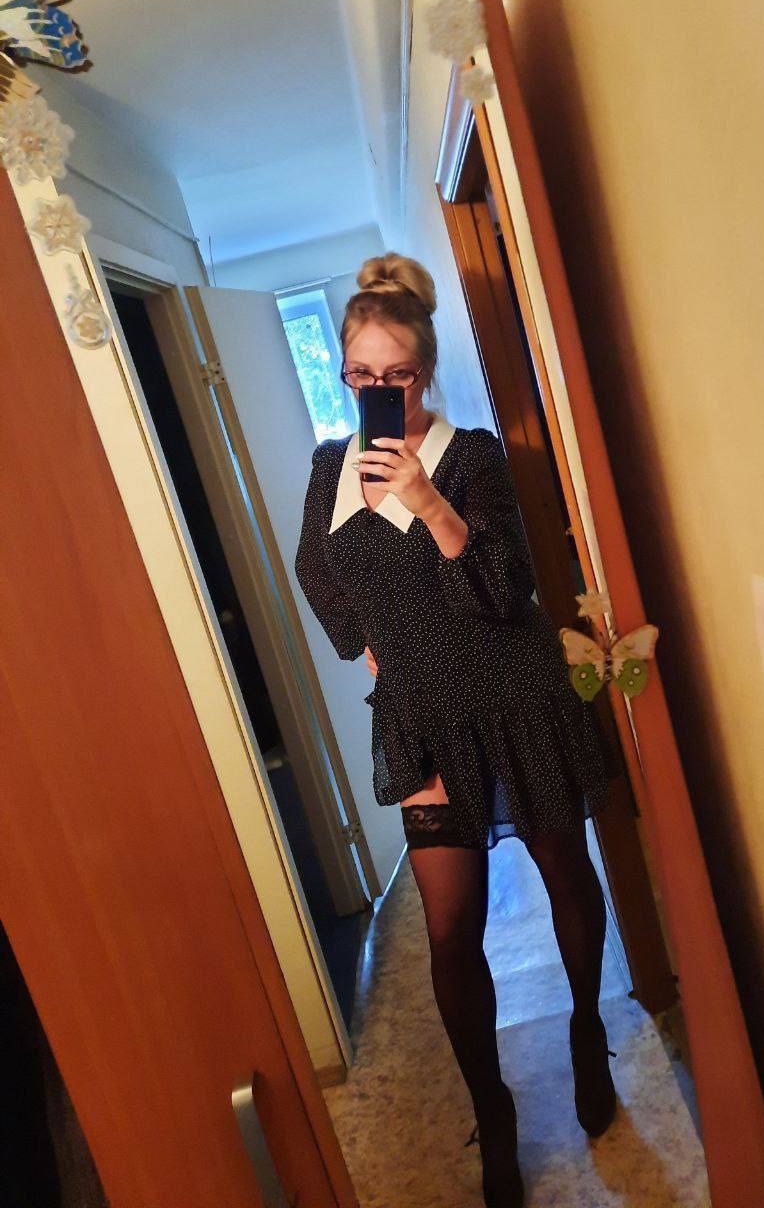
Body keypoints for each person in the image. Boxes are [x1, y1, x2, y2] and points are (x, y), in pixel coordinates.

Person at [294, 252, 619, 1208]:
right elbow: (316, 571)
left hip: (516, 696)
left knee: (566, 874)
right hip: (423, 719)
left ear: (424, 372)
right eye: (361, 375)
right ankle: (495, 1111)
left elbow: (505, 591)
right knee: (449, 930)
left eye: (396, 375)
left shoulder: (470, 456)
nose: (378, 393)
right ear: (343, 373)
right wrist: (367, 649)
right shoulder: (329, 469)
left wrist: (428, 501)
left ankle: (587, 1032)